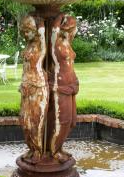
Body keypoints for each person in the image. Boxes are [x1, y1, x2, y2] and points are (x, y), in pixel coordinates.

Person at [47, 13, 79, 163]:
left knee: (71, 120)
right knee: (63, 120)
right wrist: (59, 16)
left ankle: (59, 147)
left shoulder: (67, 43)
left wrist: (75, 82)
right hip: (60, 85)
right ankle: (54, 151)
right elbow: (53, 31)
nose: (74, 31)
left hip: (71, 84)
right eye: (72, 28)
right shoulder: (56, 43)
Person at [19, 15, 49, 164]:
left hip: (38, 87)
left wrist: (41, 24)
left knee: (36, 121)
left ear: (34, 30)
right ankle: (31, 148)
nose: (25, 34)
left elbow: (43, 38)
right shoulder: (28, 46)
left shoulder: (40, 45)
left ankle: (38, 151)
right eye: (23, 32)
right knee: (25, 121)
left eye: (28, 31)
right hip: (26, 88)